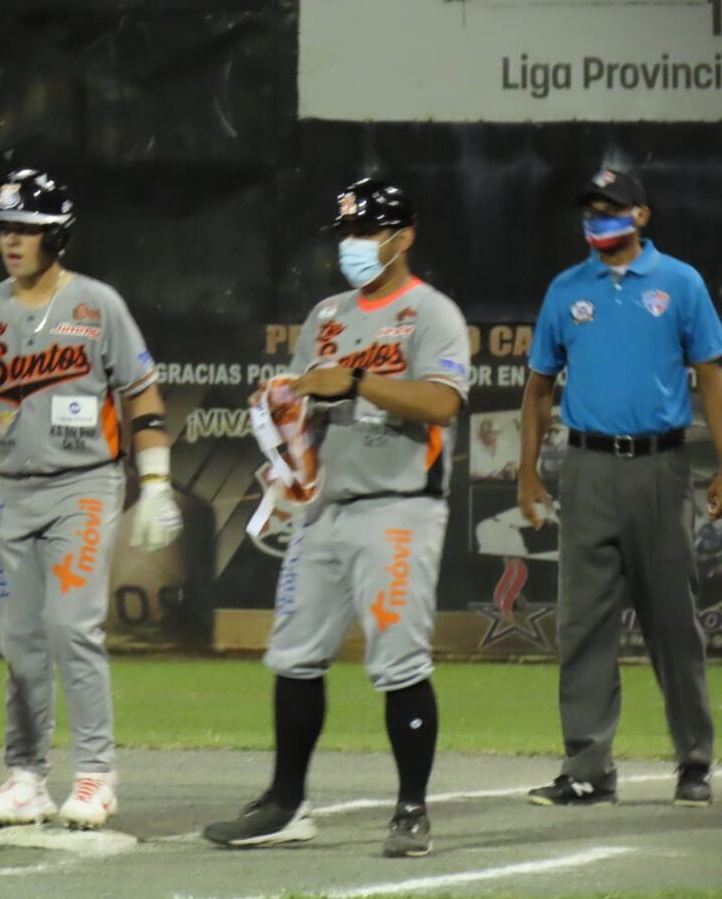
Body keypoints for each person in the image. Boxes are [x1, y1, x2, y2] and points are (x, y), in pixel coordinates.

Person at [204, 178, 470, 858]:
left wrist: (351, 380)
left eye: (369, 230)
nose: (354, 244)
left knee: (399, 659)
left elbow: (441, 403)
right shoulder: (326, 315)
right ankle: (286, 802)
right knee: (293, 655)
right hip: (324, 508)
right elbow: (304, 407)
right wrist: (285, 444)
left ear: (403, 236)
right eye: (348, 232)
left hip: (401, 506)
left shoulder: (431, 312)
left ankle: (411, 809)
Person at [0, 169, 183, 830]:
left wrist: (155, 481)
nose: (11, 241)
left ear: (56, 234)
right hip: (10, 489)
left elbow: (142, 394)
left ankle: (97, 775)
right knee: (17, 639)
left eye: (26, 229)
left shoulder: (98, 304)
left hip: (84, 485)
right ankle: (25, 779)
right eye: (3, 229)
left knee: (72, 626)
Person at [519, 167, 719, 808]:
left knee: (673, 623)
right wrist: (527, 470)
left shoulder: (680, 283)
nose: (597, 220)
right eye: (590, 210)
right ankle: (587, 768)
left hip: (660, 467)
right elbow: (538, 388)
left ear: (640, 216)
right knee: (583, 623)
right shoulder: (565, 290)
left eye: (611, 210)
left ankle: (694, 762)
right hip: (587, 468)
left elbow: (711, 376)